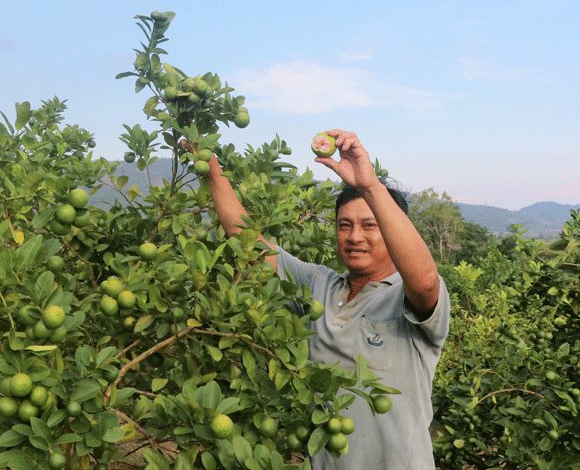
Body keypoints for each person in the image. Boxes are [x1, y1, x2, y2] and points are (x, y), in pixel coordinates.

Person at [191, 129, 450, 470]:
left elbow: (426, 281)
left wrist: (370, 186)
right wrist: (213, 172)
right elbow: (248, 239)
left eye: (369, 226)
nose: (355, 236)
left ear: (390, 229)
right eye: (345, 225)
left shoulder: (407, 298)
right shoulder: (318, 285)